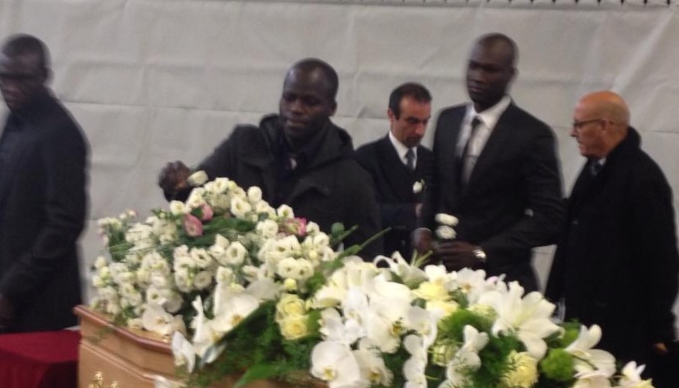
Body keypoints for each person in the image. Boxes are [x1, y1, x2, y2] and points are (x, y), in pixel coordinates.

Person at [158, 58, 382, 257]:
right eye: (289, 98)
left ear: (331, 108)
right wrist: (177, 183)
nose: (296, 108)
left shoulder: (352, 177)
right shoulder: (244, 143)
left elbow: (368, 257)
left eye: (310, 102)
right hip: (233, 278)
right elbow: (196, 197)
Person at [546, 91, 679, 388]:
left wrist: (660, 328)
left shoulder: (642, 178)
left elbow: (661, 260)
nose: (572, 133)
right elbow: (570, 235)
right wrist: (552, 297)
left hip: (622, 327)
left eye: (579, 125)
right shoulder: (595, 167)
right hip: (585, 317)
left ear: (604, 126)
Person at [414, 33, 564, 291]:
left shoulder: (532, 135)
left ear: (510, 75)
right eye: (473, 66)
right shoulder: (447, 121)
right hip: (444, 276)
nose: (478, 77)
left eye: (490, 70)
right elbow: (435, 185)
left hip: (501, 279)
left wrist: (483, 252)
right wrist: (422, 230)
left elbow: (549, 219)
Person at [0, 34, 89, 335]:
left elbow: (64, 224)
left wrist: (11, 290)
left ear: (45, 76)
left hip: (37, 300)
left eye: (22, 79)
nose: (11, 88)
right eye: (4, 78)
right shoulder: (14, 118)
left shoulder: (60, 133)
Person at [355, 83, 434, 260]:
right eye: (412, 121)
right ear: (391, 115)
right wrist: (414, 211)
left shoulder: (431, 160)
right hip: (378, 259)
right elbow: (364, 213)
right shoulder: (365, 158)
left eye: (425, 122)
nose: (420, 130)